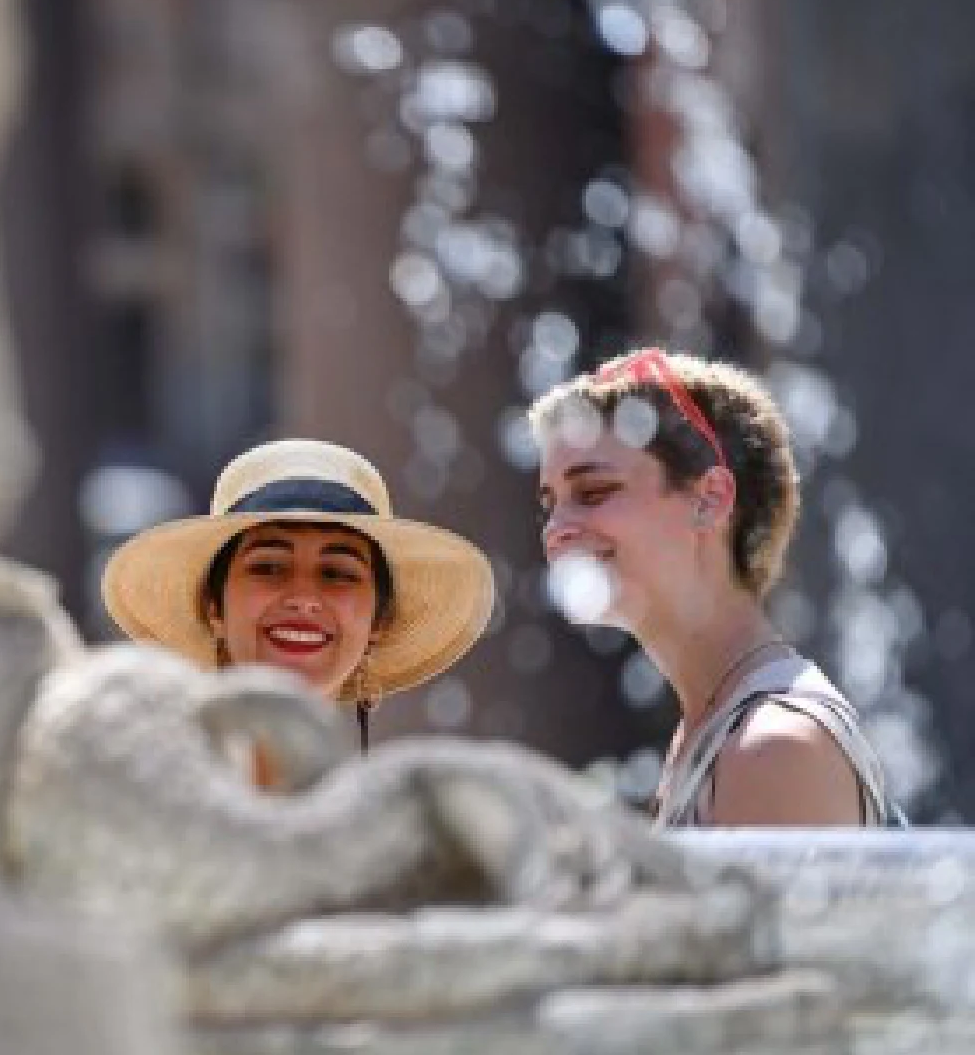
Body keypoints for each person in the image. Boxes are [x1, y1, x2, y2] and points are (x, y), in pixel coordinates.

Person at [530, 348, 895, 829]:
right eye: (550, 504)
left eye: (594, 492)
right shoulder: (713, 731)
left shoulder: (773, 748)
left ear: (709, 500)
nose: (557, 528)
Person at [99, 439, 496, 752]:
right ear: (212, 605)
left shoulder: (411, 836)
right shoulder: (143, 806)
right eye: (269, 567)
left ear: (379, 620)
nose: (304, 598)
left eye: (338, 574)